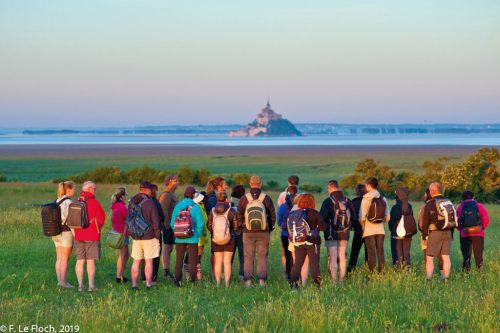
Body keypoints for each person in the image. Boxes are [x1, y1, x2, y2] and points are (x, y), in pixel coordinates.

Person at [237, 175, 276, 287]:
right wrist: (269, 228)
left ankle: (248, 281)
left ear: (250, 184)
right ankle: (262, 281)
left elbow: (239, 215)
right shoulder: (266, 198)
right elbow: (273, 215)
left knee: (248, 256)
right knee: (262, 256)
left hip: (247, 232)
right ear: (261, 184)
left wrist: (243, 226)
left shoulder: (244, 199)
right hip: (263, 232)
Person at [320, 180, 355, 284]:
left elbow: (322, 217)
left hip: (331, 233)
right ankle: (342, 281)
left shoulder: (328, 201)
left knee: (333, 257)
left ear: (329, 188)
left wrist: (325, 227)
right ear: (338, 187)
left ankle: (334, 282)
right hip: (345, 232)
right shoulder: (347, 200)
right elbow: (353, 216)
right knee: (342, 256)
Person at [74, 181, 106, 292]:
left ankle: (80, 286)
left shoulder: (76, 201)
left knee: (80, 261)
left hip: (78, 235)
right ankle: (91, 286)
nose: (95, 190)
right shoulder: (94, 202)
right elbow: (101, 219)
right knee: (90, 261)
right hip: (91, 235)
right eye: (95, 188)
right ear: (90, 189)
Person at [129, 181, 161, 291]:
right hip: (149, 236)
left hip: (136, 236)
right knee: (148, 261)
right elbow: (156, 220)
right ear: (147, 190)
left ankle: (134, 285)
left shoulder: (132, 200)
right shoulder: (150, 202)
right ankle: (148, 284)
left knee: (136, 261)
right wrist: (157, 234)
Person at [289, 194, 326, 288]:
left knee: (297, 264)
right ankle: (317, 285)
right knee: (314, 264)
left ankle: (293, 285)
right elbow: (323, 227)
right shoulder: (314, 212)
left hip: (298, 241)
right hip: (312, 242)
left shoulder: (295, 213)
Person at [170, 186, 205, 287]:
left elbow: (172, 223)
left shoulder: (178, 206)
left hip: (179, 238)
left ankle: (177, 282)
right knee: (192, 260)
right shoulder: (196, 207)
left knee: (179, 260)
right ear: (194, 195)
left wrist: (178, 232)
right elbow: (200, 224)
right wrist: (196, 234)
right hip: (192, 238)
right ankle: (193, 281)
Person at [421, 182, 453, 281]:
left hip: (435, 232)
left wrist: (424, 236)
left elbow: (425, 222)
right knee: (446, 257)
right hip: (448, 232)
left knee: (429, 258)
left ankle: (429, 279)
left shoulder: (430, 203)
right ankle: (445, 279)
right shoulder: (448, 201)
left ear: (432, 191)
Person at [207, 191, 240, 287]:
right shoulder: (231, 210)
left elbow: (209, 225)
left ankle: (217, 283)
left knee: (218, 261)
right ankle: (226, 284)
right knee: (227, 261)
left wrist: (214, 233)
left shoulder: (213, 210)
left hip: (216, 239)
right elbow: (236, 226)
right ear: (226, 199)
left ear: (217, 199)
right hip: (229, 239)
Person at [359, 177, 389, 273]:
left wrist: (363, 227)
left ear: (368, 185)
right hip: (380, 230)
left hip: (369, 230)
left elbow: (362, 217)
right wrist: (382, 224)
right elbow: (387, 216)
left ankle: (372, 273)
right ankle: (382, 272)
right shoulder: (383, 198)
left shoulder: (366, 198)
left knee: (371, 252)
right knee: (380, 251)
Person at [456, 190, 490, 271]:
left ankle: (466, 273)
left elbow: (457, 222)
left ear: (462, 198)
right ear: (473, 197)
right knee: (478, 255)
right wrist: (481, 228)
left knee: (466, 256)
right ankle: (479, 273)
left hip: (464, 234)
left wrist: (461, 229)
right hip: (478, 234)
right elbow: (486, 219)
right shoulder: (480, 206)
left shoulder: (460, 207)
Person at [52, 181, 76, 288]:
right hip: (66, 233)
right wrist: (76, 235)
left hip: (55, 232)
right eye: (74, 188)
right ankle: (64, 282)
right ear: (69, 189)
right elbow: (71, 222)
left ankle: (59, 281)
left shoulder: (57, 201)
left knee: (59, 258)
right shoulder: (69, 202)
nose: (75, 191)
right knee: (65, 258)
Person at [277, 185, 298, 281]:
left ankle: (289, 275)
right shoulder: (298, 206)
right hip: (297, 235)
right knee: (297, 255)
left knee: (287, 255)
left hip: (285, 234)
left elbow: (278, 222)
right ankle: (297, 274)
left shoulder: (282, 206)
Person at [388, 187, 414, 268]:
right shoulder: (409, 206)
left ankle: (398, 269)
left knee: (396, 252)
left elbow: (391, 222)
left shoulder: (395, 207)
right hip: (408, 233)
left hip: (396, 233)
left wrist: (392, 230)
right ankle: (407, 268)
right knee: (406, 252)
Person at [159, 174, 179, 279]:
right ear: (171, 181)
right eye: (176, 181)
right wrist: (167, 226)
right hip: (168, 225)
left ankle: (167, 270)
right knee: (167, 247)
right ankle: (166, 271)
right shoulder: (166, 195)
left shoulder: (173, 194)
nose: (178, 183)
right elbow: (163, 210)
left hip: (174, 225)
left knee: (170, 247)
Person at [111, 187, 130, 283]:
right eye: (125, 195)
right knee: (123, 255)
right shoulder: (122, 207)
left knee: (126, 255)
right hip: (123, 234)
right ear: (122, 196)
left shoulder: (115, 205)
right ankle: (119, 276)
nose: (126, 197)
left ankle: (121, 274)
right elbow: (129, 218)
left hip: (119, 233)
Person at [347, 184, 368, 273]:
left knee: (354, 252)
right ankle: (369, 270)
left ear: (357, 192)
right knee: (368, 252)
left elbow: (351, 216)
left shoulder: (354, 202)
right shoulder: (369, 200)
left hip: (358, 230)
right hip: (369, 230)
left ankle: (350, 271)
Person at [230, 185, 246, 281]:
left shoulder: (229, 204)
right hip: (242, 233)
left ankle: (228, 275)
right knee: (242, 256)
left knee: (230, 257)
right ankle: (242, 276)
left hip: (231, 234)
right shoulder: (243, 204)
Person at [150, 184, 165, 283]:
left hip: (143, 233)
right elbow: (162, 217)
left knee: (146, 257)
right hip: (155, 233)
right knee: (155, 256)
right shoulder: (155, 202)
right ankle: (153, 278)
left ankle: (144, 277)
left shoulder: (141, 202)